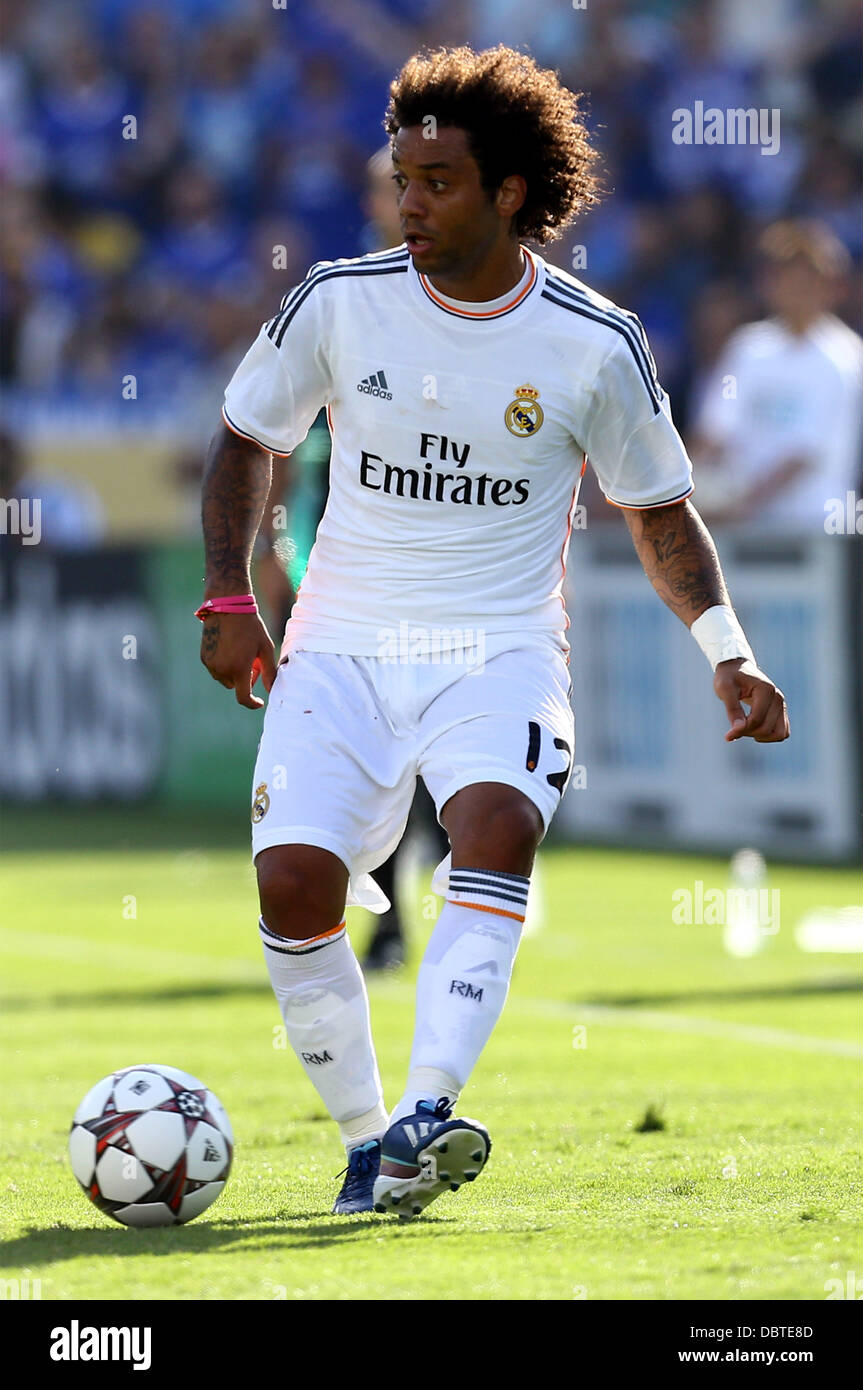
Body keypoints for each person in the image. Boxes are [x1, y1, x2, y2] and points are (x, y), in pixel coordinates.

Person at [199, 45, 789, 1220]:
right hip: (342, 642)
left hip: (499, 646)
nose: (407, 203)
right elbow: (246, 440)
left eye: (436, 181)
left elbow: (657, 514)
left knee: (495, 824)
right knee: (294, 887)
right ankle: (371, 1140)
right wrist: (228, 597)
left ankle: (427, 1110)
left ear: (509, 190)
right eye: (400, 177)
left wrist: (726, 645)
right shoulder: (337, 299)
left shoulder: (591, 342)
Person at [690, 220, 863, 528]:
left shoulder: (843, 357)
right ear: (769, 283)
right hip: (744, 530)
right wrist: (683, 492)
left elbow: (806, 453)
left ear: (831, 286)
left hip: (814, 532)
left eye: (808, 280)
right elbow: (715, 430)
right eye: (786, 278)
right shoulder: (748, 348)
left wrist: (742, 506)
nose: (796, 290)